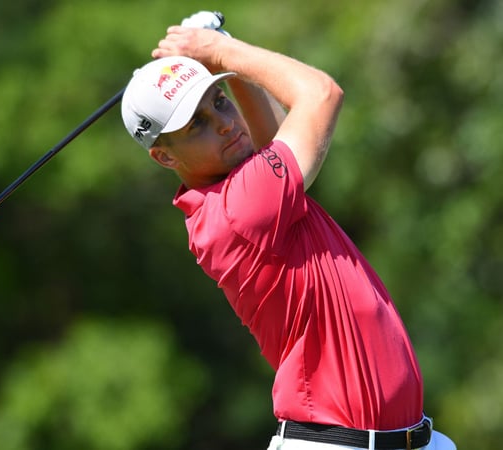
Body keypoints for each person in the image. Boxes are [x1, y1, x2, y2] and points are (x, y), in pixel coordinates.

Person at [120, 11, 456, 450]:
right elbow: (321, 94)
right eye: (197, 124)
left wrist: (227, 56)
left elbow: (277, 137)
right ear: (165, 157)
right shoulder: (238, 209)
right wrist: (221, 51)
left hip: (410, 439)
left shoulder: (242, 193)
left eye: (219, 100)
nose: (223, 121)